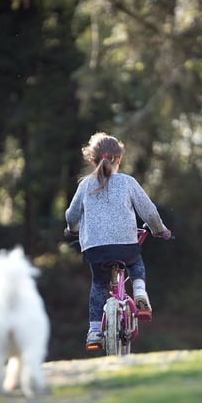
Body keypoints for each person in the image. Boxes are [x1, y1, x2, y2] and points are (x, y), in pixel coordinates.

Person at [64, 132, 172, 350]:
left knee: (99, 284)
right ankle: (140, 292)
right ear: (119, 159)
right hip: (125, 246)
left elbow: (72, 214)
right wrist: (159, 230)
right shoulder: (127, 182)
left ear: (92, 160)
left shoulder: (85, 185)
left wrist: (72, 230)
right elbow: (149, 211)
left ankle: (94, 331)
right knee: (135, 263)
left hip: (95, 249)